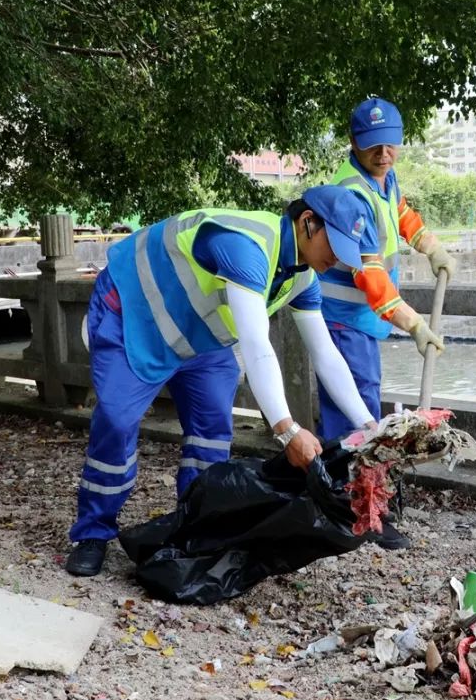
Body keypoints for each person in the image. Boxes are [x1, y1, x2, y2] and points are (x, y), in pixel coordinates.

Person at [65, 186, 379, 577]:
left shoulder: (303, 277)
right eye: (336, 244)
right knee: (116, 423)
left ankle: (195, 527)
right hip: (133, 314)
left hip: (199, 337)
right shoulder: (246, 246)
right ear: (308, 222)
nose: (339, 259)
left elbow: (326, 354)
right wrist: (286, 430)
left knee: (212, 430)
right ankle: (93, 533)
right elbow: (256, 343)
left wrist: (369, 425)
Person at [316, 97, 456, 443]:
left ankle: (354, 469)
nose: (383, 154)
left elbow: (401, 213)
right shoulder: (352, 197)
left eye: (389, 145)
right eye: (373, 146)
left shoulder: (384, 178)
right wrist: (415, 325)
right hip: (344, 319)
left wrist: (431, 246)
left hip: (363, 317)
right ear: (353, 142)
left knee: (362, 397)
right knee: (354, 407)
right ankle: (349, 472)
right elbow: (371, 276)